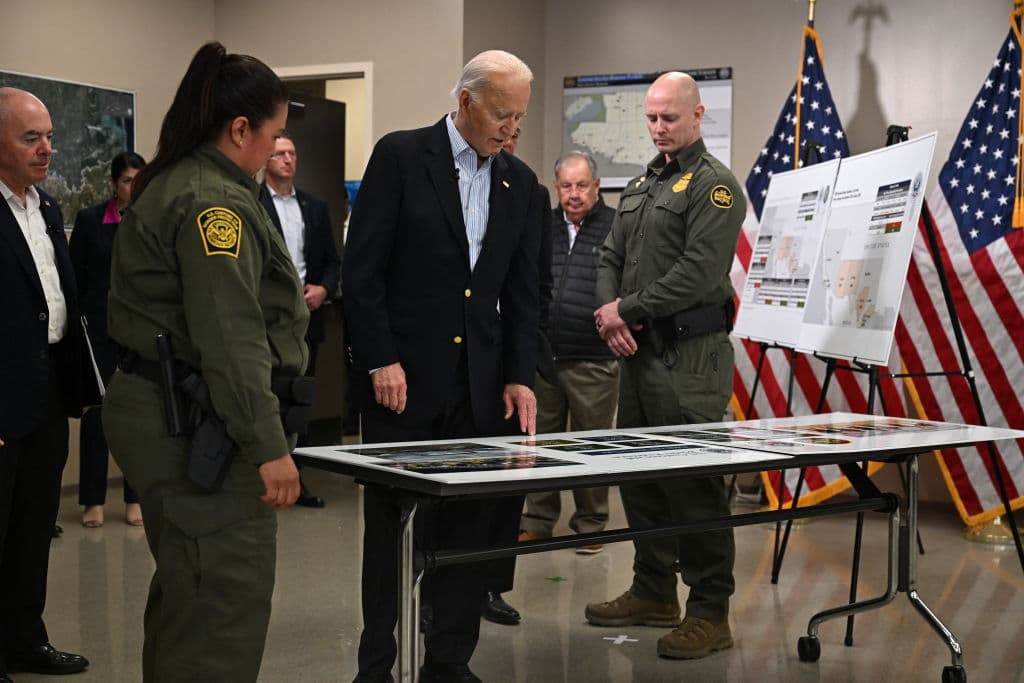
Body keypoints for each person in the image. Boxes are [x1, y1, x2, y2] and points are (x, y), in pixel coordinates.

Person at [101, 42, 305, 682]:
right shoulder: (213, 203)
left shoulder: (184, 180)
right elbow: (230, 335)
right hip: (195, 420)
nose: (275, 150)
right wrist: (268, 444)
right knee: (222, 600)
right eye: (272, 135)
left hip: (176, 408)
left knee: (190, 594)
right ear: (240, 129)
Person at [343, 50, 541, 683]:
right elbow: (362, 273)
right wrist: (380, 358)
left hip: (480, 391)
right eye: (503, 114)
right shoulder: (401, 157)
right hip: (402, 387)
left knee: (469, 534)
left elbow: (524, 294)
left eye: (520, 117)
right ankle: (377, 664)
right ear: (465, 101)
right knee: (391, 534)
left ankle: (449, 660)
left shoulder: (521, 184)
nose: (512, 128)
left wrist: (520, 375)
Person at [587, 72, 745, 661]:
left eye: (669, 118)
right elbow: (610, 255)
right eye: (651, 118)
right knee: (642, 479)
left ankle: (710, 612)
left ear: (697, 115)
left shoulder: (715, 187)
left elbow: (699, 274)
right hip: (639, 355)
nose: (658, 128)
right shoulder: (641, 185)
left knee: (694, 485)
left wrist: (624, 310)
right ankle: (654, 592)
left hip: (691, 359)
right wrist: (613, 316)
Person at [0, 87, 91, 682]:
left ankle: (25, 642)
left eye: (49, 137)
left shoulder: (48, 208)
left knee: (34, 528)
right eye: (30, 137)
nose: (46, 149)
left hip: (47, 392)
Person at [519, 150, 619, 553]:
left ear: (597, 186)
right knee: (539, 443)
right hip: (545, 356)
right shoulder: (543, 224)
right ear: (556, 187)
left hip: (593, 357)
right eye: (566, 186)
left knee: (590, 445)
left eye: (582, 185)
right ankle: (538, 521)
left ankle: (591, 525)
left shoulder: (615, 226)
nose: (574, 194)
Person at [259, 132, 341, 508]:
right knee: (267, 396)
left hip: (307, 320)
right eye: (280, 154)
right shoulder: (252, 203)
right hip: (265, 322)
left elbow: (333, 262)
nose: (288, 159)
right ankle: (263, 476)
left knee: (300, 399)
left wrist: (324, 289)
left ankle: (297, 478)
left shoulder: (314, 206)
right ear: (266, 160)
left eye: (292, 153)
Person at [70, 151, 147, 528]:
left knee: (138, 418)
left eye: (140, 180)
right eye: (129, 180)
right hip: (96, 332)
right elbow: (75, 278)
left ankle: (136, 497)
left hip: (139, 332)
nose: (135, 187)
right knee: (97, 418)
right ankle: (92, 500)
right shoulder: (90, 220)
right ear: (115, 184)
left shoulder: (152, 220)